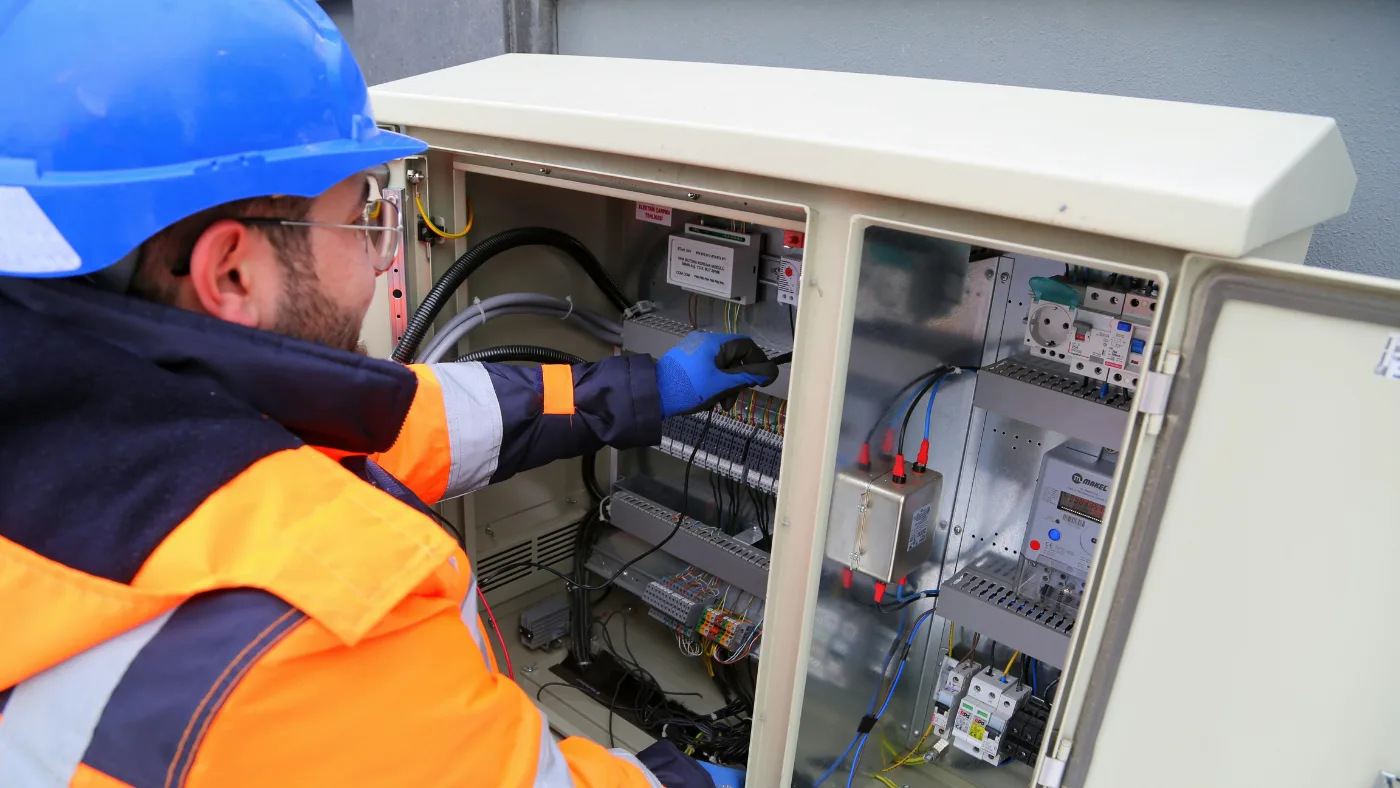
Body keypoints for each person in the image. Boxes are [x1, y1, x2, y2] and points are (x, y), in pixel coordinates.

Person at [0, 2, 776, 786]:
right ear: (231, 272)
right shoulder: (320, 623)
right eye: (363, 218)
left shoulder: (100, 409)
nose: (381, 260)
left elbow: (424, 419)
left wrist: (648, 388)